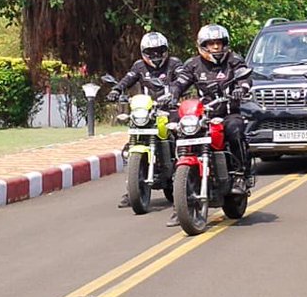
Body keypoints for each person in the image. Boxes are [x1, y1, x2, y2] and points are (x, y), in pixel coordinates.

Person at [167, 24, 253, 225]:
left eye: (219, 43)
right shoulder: (193, 64)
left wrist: (242, 88)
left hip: (227, 113)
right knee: (175, 130)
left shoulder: (234, 60)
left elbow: (245, 77)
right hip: (202, 116)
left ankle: (240, 175)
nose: (215, 47)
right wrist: (172, 94)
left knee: (235, 129)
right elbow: (181, 81)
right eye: (211, 43)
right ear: (202, 45)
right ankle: (179, 201)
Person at [108, 32, 183, 210]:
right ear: (144, 52)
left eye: (159, 51)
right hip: (147, 111)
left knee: (180, 136)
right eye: (151, 52)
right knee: (132, 142)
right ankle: (132, 189)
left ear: (165, 50)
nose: (156, 55)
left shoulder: (174, 64)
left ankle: (182, 175)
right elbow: (128, 79)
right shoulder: (139, 66)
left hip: (169, 110)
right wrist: (116, 90)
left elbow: (182, 79)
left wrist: (174, 93)